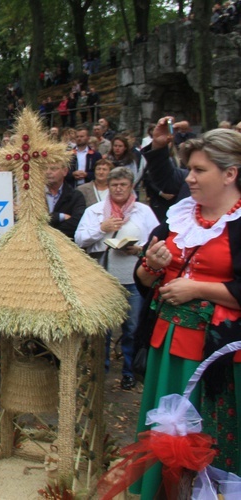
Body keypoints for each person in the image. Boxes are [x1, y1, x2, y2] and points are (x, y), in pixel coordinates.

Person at [131, 128, 241, 498]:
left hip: (217, 356)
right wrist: (150, 264)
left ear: (230, 174)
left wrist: (197, 289)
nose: (189, 178)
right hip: (170, 346)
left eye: (199, 170)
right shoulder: (178, 218)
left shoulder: (238, 224)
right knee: (169, 431)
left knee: (208, 432)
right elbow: (146, 278)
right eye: (189, 169)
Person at [75, 167, 159, 390]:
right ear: (108, 187)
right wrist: (102, 228)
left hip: (133, 277)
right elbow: (79, 239)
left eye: (123, 185)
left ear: (131, 186)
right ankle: (99, 369)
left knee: (131, 327)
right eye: (114, 185)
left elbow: (156, 241)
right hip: (104, 277)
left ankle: (129, 371)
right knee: (103, 327)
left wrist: (139, 250)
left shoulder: (144, 212)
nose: (119, 189)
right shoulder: (96, 211)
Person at [46, 163, 86, 240]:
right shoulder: (35, 194)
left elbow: (77, 222)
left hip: (65, 244)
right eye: (45, 168)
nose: (48, 172)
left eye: (53, 169)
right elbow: (33, 219)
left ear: (65, 171)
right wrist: (59, 216)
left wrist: (51, 233)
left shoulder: (76, 196)